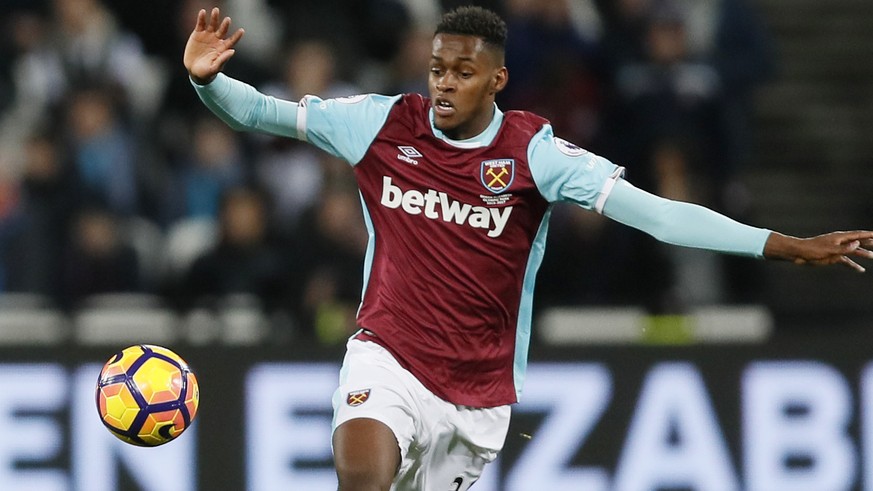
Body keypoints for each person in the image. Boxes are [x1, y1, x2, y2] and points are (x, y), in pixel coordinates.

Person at [184, 6, 873, 490]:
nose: (444, 83)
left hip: (477, 396)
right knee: (359, 475)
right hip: (386, 353)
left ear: (496, 80)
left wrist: (784, 245)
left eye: (461, 71)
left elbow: (658, 216)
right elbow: (258, 113)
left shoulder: (536, 156)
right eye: (435, 69)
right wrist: (207, 80)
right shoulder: (379, 124)